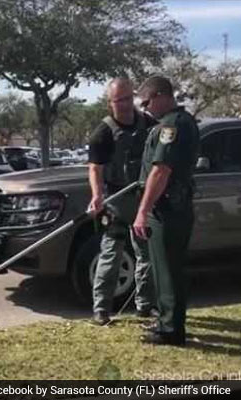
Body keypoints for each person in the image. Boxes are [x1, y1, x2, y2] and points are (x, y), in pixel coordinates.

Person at [132, 76, 200, 346]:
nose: (146, 108)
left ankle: (171, 330)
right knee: (164, 268)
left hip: (168, 208)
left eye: (147, 102)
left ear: (161, 95)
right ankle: (166, 322)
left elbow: (160, 171)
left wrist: (142, 211)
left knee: (169, 270)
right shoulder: (179, 122)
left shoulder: (172, 125)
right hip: (172, 206)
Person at [87, 77, 156, 326]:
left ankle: (145, 307)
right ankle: (101, 310)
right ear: (110, 103)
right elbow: (95, 168)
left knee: (147, 254)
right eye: (119, 100)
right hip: (117, 201)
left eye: (128, 98)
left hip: (144, 199)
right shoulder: (103, 133)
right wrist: (97, 196)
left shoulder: (149, 124)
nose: (125, 104)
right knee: (111, 255)